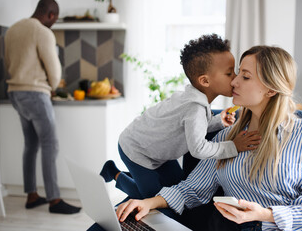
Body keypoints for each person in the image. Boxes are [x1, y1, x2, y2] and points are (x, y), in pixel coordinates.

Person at [114, 45, 302, 231]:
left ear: (271, 90)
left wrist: (264, 214)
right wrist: (148, 203)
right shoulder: (226, 138)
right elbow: (191, 189)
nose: (234, 82)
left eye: (245, 77)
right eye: (236, 74)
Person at [100, 34, 261, 202]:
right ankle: (115, 173)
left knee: (177, 188)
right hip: (136, 149)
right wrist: (233, 146)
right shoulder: (194, 107)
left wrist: (217, 122)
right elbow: (198, 148)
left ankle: (131, 179)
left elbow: (193, 128)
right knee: (154, 198)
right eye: (229, 73)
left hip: (157, 150)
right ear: (205, 81)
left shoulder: (196, 100)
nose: (235, 78)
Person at [5, 0, 81, 214]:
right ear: (51, 15)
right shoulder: (42, 32)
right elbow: (54, 70)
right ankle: (55, 200)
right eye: (54, 19)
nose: (53, 23)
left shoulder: (13, 30)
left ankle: (31, 195)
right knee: (50, 144)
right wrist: (54, 85)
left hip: (15, 93)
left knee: (30, 144)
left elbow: (9, 63)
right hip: (35, 94)